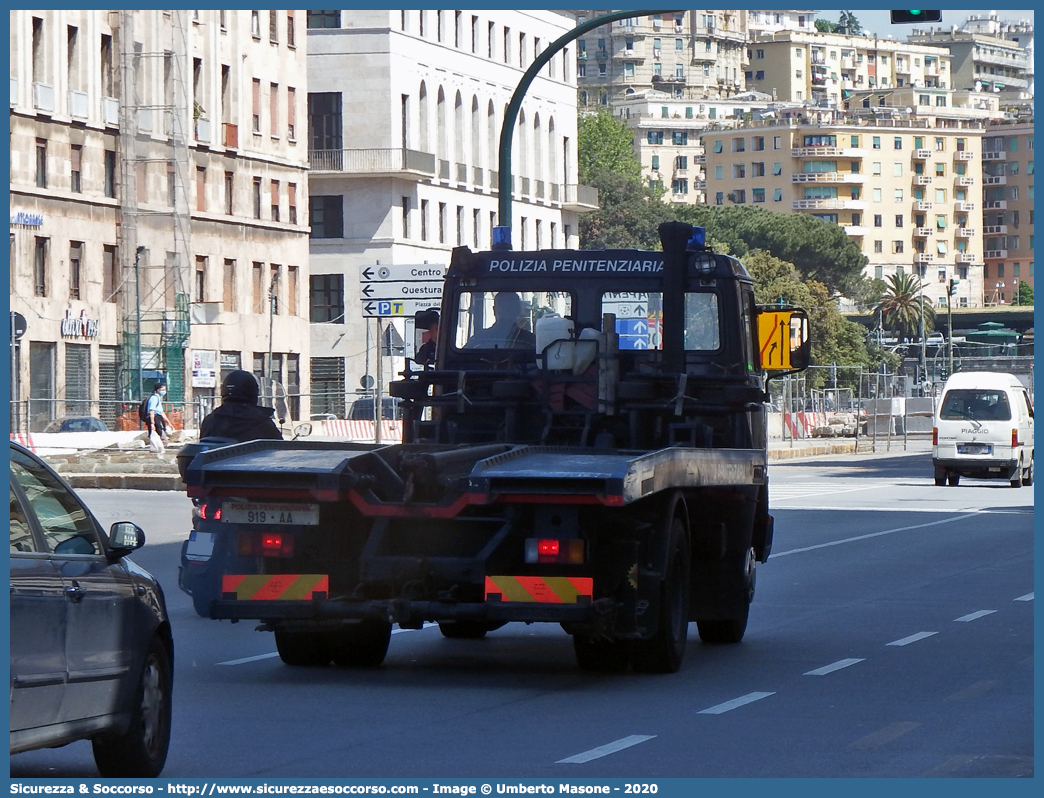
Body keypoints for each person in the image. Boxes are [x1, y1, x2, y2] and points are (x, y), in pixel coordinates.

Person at [199, 370, 283, 442]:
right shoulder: (262, 422)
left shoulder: (209, 421)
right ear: (253, 392)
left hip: (219, 462)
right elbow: (281, 452)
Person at [464, 291, 535, 349]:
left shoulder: (479, 340)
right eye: (503, 308)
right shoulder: (531, 341)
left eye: (509, 309)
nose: (506, 312)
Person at [146, 380, 173, 453]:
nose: (164, 391)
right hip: (155, 418)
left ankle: (159, 450)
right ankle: (158, 451)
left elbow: (161, 412)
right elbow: (151, 411)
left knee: (161, 436)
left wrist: (168, 422)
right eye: (163, 389)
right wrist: (152, 423)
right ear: (158, 390)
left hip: (158, 418)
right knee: (161, 436)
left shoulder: (158, 398)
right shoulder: (154, 398)